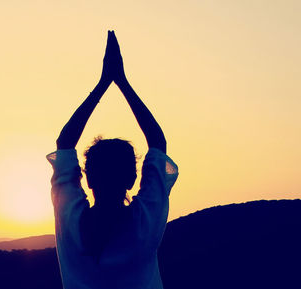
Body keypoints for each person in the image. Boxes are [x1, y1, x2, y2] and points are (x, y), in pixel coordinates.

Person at [46, 30, 179, 289]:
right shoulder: (144, 223)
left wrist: (103, 83)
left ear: (88, 176)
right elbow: (158, 143)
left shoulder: (71, 222)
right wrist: (122, 82)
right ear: (132, 178)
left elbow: (64, 144)